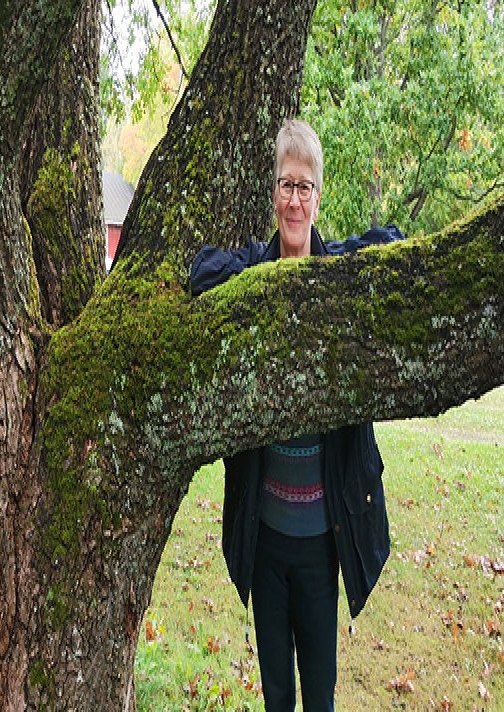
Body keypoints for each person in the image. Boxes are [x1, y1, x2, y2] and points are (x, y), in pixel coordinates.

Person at [188, 118, 404, 712]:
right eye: (286, 184)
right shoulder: (253, 266)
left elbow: (391, 244)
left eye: (305, 187)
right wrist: (264, 283)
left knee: (320, 695)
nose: (294, 199)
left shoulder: (336, 271)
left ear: (318, 196)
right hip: (267, 538)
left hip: (320, 541)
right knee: (276, 694)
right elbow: (201, 271)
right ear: (273, 193)